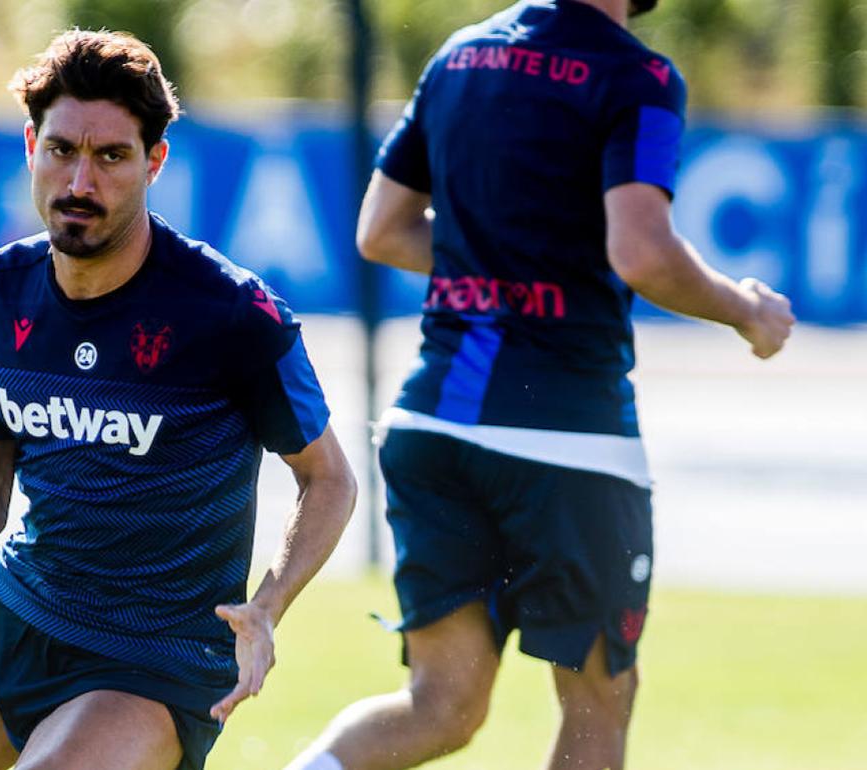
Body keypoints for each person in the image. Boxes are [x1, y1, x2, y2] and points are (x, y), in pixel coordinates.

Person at [0, 29, 356, 770]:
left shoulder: (230, 313)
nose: (80, 183)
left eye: (111, 157)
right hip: (20, 616)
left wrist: (267, 608)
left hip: (155, 658)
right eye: (63, 150)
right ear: (31, 147)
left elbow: (328, 479)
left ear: (154, 162)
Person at [286, 1, 794, 769]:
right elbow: (644, 253)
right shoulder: (639, 74)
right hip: (567, 435)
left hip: (431, 426)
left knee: (440, 706)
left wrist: (495, 274)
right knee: (597, 707)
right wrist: (746, 311)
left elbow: (381, 230)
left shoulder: (459, 55)